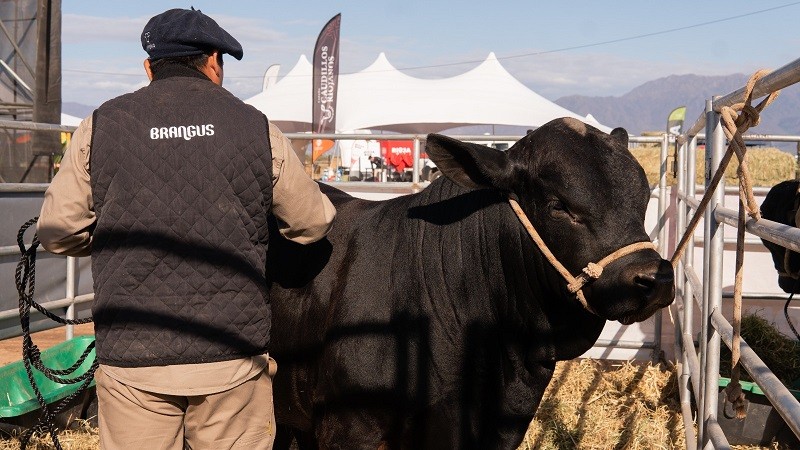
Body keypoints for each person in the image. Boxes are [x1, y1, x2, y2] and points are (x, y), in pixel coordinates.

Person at [37, 8, 335, 450]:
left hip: (134, 358)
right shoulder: (255, 126)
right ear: (214, 61)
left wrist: (116, 233)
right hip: (231, 355)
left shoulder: (100, 125)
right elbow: (312, 223)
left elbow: (57, 230)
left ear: (149, 67)